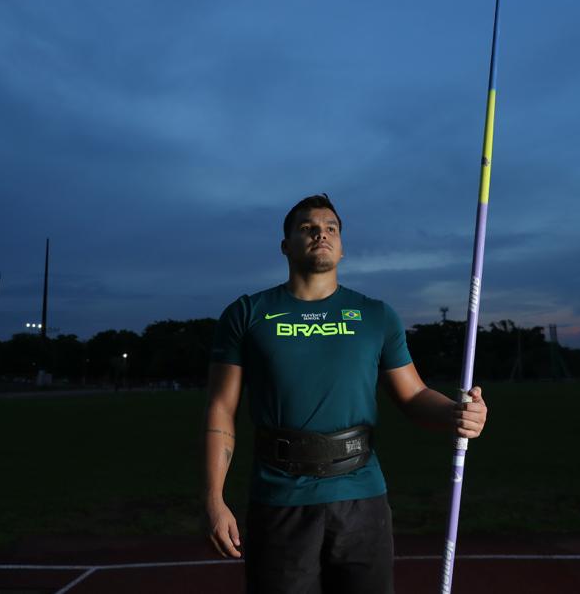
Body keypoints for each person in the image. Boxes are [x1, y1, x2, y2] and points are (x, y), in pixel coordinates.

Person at [203, 194, 488, 593]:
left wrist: (457, 414)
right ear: (286, 245)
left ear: (342, 245)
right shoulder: (247, 313)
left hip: (362, 499)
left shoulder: (376, 315)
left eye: (331, 228)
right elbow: (221, 408)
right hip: (280, 497)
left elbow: (414, 395)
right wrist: (215, 500)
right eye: (308, 228)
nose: (321, 233)